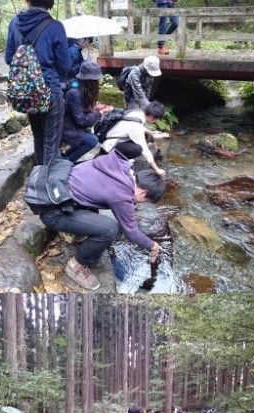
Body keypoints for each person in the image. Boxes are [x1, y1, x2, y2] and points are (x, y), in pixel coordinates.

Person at [36, 150, 165, 290]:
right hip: (53, 212)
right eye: (145, 201)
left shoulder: (119, 167)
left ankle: (80, 233)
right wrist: (153, 246)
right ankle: (77, 264)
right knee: (110, 229)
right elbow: (131, 232)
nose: (140, 203)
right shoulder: (122, 193)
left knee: (101, 218)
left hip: (52, 191)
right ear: (144, 193)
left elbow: (101, 192)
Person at [4, 0, 71, 165]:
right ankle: (48, 186)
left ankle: (39, 181)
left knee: (39, 139)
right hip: (49, 89)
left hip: (26, 92)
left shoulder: (14, 23)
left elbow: (8, 58)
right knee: (51, 144)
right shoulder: (55, 26)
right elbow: (65, 65)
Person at [61, 61, 110, 163]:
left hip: (71, 125)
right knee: (92, 140)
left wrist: (94, 109)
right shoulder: (74, 92)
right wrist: (99, 113)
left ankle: (66, 156)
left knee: (91, 138)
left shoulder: (80, 88)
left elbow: (78, 111)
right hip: (65, 128)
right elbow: (81, 120)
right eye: (95, 80)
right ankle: (67, 162)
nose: (97, 82)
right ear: (89, 80)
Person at [102, 101, 166, 176]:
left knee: (145, 136)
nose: (155, 122)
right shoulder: (136, 128)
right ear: (152, 117)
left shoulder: (138, 113)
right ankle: (115, 161)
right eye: (156, 120)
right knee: (138, 149)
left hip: (110, 137)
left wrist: (152, 132)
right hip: (109, 146)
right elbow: (145, 150)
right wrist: (157, 169)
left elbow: (138, 126)